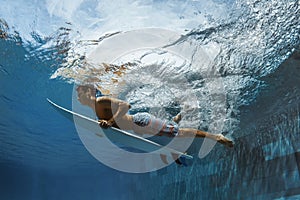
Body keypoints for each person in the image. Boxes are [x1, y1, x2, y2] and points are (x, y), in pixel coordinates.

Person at [76, 85, 233, 148]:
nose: (77, 97)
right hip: (139, 128)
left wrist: (109, 122)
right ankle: (182, 113)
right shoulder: (95, 109)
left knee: (178, 133)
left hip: (141, 122)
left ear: (89, 92)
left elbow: (125, 106)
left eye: (79, 93)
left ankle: (216, 137)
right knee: (171, 129)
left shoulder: (100, 101)